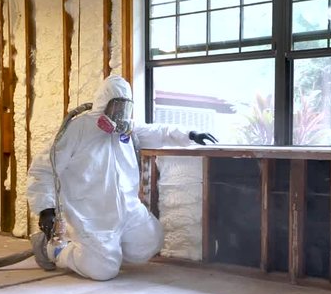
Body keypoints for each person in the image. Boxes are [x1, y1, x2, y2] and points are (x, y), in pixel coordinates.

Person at [26, 75, 217, 281]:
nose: (119, 113)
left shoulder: (126, 130)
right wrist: (45, 208)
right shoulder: (78, 129)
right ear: (102, 104)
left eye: (124, 107)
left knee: (149, 241)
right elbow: (44, 169)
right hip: (91, 215)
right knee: (103, 269)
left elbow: (159, 132)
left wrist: (190, 134)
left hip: (127, 210)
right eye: (115, 106)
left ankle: (104, 250)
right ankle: (54, 250)